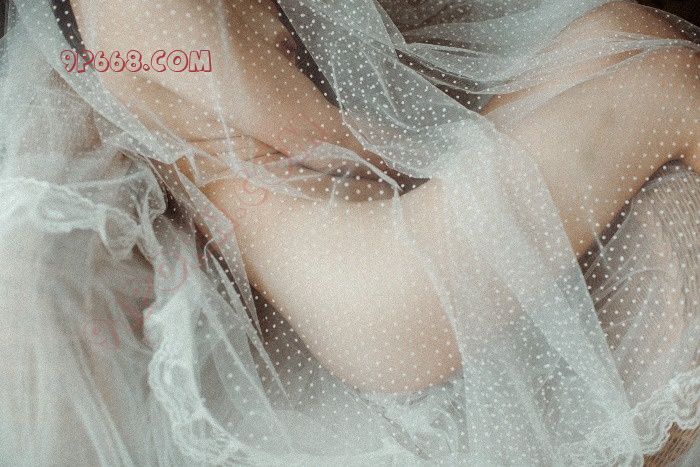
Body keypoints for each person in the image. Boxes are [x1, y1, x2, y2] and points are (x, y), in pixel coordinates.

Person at [1, 0, 698, 464]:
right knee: (669, 83)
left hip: (355, 258)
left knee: (618, 30)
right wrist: (463, 156)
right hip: (379, 281)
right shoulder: (140, 9)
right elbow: (318, 135)